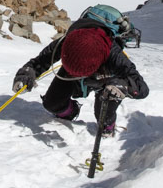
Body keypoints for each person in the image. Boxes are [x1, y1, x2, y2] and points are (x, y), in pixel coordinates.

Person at [12, 11, 148, 136]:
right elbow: (40, 61)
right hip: (76, 70)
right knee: (52, 103)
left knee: (103, 112)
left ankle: (107, 125)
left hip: (107, 80)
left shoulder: (113, 53)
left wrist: (123, 85)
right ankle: (69, 112)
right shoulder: (67, 42)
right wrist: (26, 73)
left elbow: (141, 87)